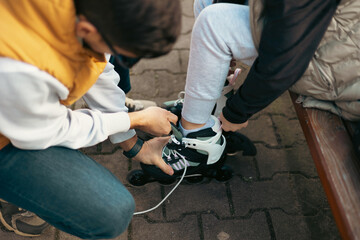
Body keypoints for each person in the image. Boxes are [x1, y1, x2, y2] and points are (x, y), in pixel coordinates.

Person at [0, 0, 181, 238]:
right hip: (15, 132)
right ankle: (14, 198)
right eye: (125, 56)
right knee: (110, 213)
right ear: (85, 30)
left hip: (24, 108)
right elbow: (49, 130)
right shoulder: (20, 67)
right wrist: (134, 120)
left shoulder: (91, 12)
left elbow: (98, 67)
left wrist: (132, 143)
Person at [155, 0, 360, 173]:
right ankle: (208, 111)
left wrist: (237, 112)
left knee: (214, 24)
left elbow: (286, 59)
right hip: (317, 35)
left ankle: (197, 146)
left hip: (338, 66)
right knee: (208, 2)